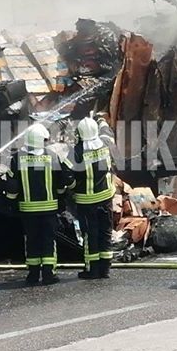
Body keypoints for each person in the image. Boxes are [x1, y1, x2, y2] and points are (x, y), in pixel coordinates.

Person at [4, 123, 75, 285]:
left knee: (32, 240)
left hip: (28, 210)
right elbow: (61, 181)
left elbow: (12, 186)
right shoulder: (52, 155)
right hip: (49, 209)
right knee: (49, 240)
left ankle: (33, 275)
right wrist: (62, 198)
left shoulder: (17, 158)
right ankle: (49, 274)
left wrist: (10, 201)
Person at [71, 116, 116, 280]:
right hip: (106, 198)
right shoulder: (105, 144)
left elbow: (69, 176)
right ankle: (105, 269)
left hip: (87, 201)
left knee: (90, 234)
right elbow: (107, 133)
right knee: (105, 232)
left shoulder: (77, 151)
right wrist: (102, 120)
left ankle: (93, 269)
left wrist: (72, 188)